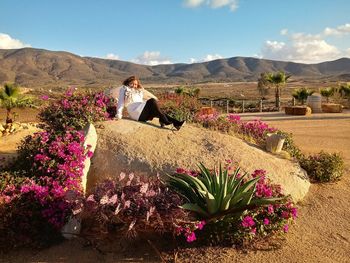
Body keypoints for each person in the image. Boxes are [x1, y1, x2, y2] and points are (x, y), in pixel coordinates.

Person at [116, 76, 185, 130]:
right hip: (134, 112)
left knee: (158, 111)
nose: (134, 85)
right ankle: (164, 120)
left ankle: (177, 123)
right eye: (132, 83)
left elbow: (140, 102)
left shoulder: (139, 91)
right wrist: (119, 114)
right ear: (128, 83)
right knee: (152, 101)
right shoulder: (124, 89)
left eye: (136, 84)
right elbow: (120, 102)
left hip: (141, 112)